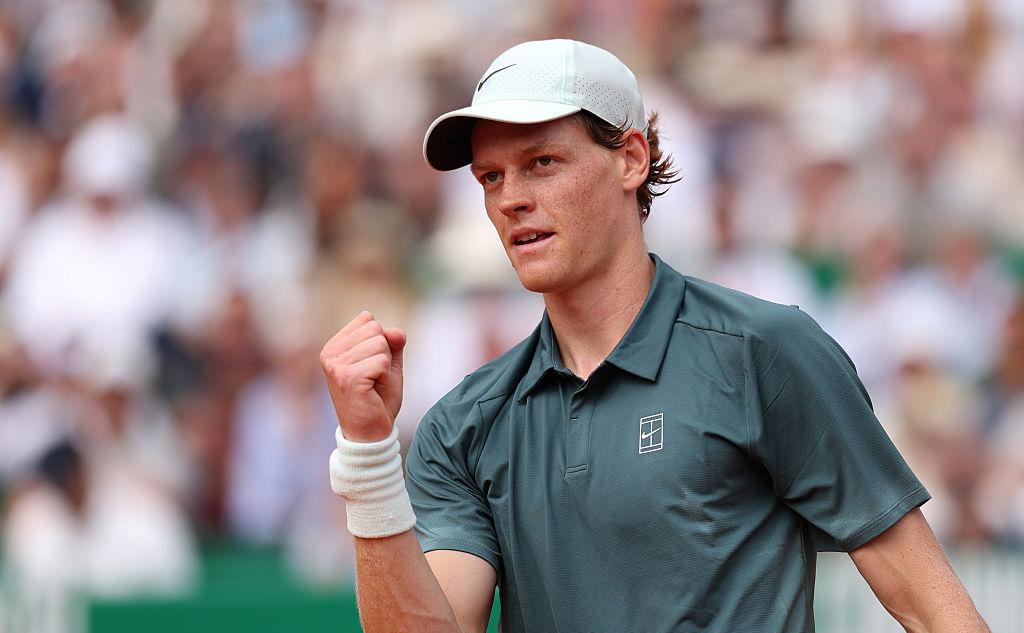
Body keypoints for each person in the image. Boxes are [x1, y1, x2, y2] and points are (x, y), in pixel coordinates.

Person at [319, 39, 989, 632]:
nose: (510, 198)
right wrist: (369, 455)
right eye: (491, 177)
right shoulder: (462, 425)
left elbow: (934, 610)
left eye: (542, 162)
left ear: (631, 159)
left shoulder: (763, 351)